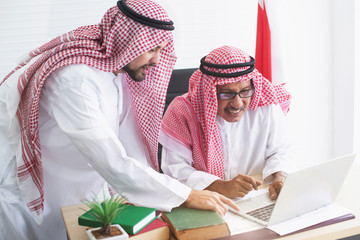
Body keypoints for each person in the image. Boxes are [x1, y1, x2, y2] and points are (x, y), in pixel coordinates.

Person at [0, 2, 238, 239]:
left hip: (79, 184)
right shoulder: (74, 82)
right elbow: (112, 159)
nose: (157, 60)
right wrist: (185, 195)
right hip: (31, 191)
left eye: (160, 50)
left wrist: (168, 193)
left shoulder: (117, 72)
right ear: (129, 43)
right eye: (152, 49)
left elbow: (130, 147)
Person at [160, 45, 294, 201]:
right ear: (208, 91)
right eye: (227, 93)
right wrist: (220, 186)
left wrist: (281, 176)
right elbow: (175, 170)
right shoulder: (182, 112)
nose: (237, 104)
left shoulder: (266, 105)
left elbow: (281, 151)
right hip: (204, 200)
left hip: (257, 198)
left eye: (245, 91)